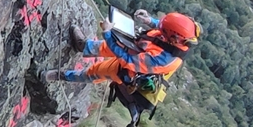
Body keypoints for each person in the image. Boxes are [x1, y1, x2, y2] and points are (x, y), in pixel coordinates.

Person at [45, 10, 201, 87]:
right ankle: (83, 46)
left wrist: (107, 33)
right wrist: (149, 20)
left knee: (93, 73)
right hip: (135, 46)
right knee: (103, 47)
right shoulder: (179, 35)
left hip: (129, 67)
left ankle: (62, 76)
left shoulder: (164, 60)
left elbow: (127, 60)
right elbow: (162, 27)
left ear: (173, 38)